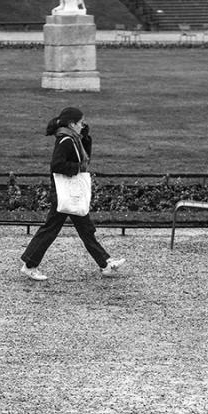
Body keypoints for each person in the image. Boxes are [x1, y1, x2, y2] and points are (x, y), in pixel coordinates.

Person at [20, 106, 124, 282]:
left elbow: (83, 159)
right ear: (72, 124)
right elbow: (57, 165)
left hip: (70, 192)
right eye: (81, 123)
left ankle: (105, 263)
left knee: (85, 229)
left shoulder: (73, 139)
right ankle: (29, 266)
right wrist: (77, 169)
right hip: (65, 193)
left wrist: (86, 138)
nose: (83, 125)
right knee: (53, 230)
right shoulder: (66, 141)